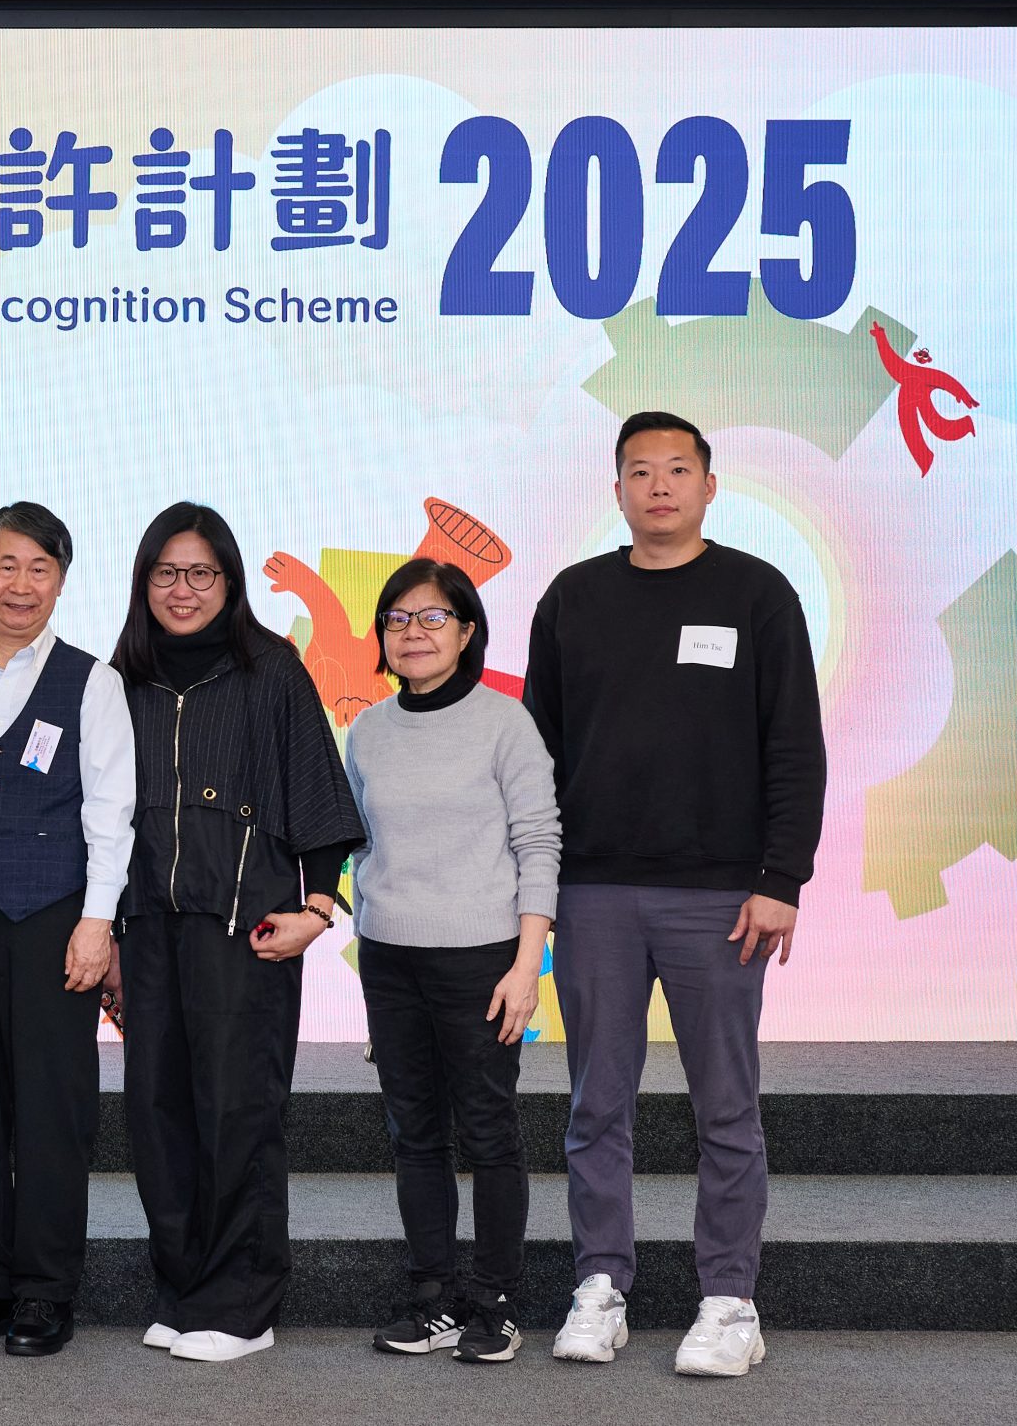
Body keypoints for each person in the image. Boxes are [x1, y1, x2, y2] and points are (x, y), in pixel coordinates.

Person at [525, 411, 825, 1378]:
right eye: (640, 471)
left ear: (708, 485)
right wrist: (538, 887)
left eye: (678, 469)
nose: (659, 485)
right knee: (595, 1106)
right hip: (595, 892)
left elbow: (796, 746)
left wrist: (780, 878)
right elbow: (538, 753)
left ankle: (730, 1300)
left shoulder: (758, 593)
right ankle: (599, 1286)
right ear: (616, 489)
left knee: (726, 1109)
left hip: (721, 898)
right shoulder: (573, 597)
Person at [111, 501, 362, 1363]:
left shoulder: (272, 668)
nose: (182, 590)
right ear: (144, 582)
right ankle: (184, 1292)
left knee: (237, 1111)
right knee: (157, 1112)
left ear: (230, 580)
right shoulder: (121, 678)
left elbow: (319, 794)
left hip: (245, 928)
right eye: (166, 573)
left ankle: (242, 1307)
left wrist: (316, 910)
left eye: (201, 573)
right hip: (148, 927)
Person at [0, 502, 134, 1359]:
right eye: (5, 565)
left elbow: (112, 810)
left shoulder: (93, 680)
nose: (20, 583)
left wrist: (97, 922)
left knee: (52, 1108)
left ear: (61, 579)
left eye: (39, 567)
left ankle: (46, 1289)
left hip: (53, 921)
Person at [345, 558, 560, 1364]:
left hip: (482, 959)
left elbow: (539, 843)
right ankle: (432, 1294)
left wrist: (526, 965)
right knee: (414, 1133)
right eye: (398, 619)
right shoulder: (367, 730)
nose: (413, 632)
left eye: (433, 617)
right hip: (390, 959)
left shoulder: (506, 722)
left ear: (467, 631)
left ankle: (495, 1301)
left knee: (489, 1130)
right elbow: (362, 851)